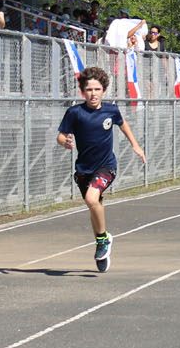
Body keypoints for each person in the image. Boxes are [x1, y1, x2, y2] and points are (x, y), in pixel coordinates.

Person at [56, 66, 146, 272]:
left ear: (103, 91)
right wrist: (65, 142)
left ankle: (102, 240)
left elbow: (123, 125)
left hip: (106, 166)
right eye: (89, 90)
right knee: (94, 205)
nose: (93, 94)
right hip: (83, 170)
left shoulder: (111, 111)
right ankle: (102, 240)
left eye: (97, 89)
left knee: (91, 199)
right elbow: (60, 135)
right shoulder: (75, 113)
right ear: (83, 92)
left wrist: (135, 145)